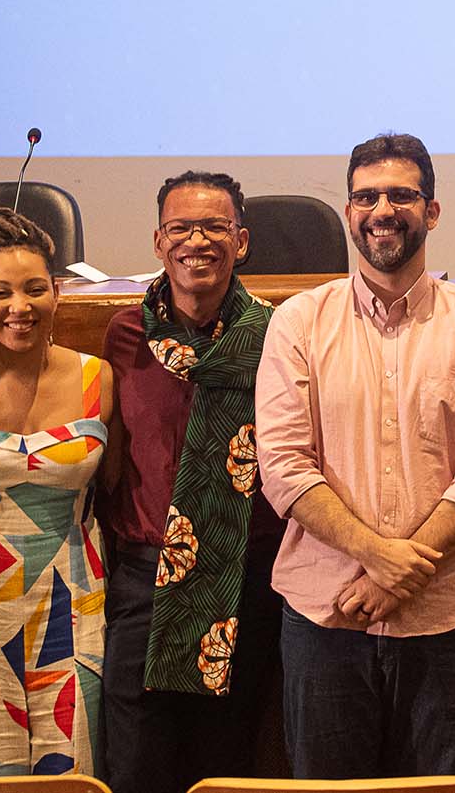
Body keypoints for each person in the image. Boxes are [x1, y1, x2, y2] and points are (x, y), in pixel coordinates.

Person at [256, 132, 455, 776]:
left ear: (431, 211)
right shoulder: (298, 321)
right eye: (366, 196)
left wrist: (396, 577)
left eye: (402, 195)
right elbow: (285, 466)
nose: (383, 209)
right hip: (327, 620)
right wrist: (380, 559)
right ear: (349, 212)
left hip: (445, 621)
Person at [100, 172, 284, 793]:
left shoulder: (279, 337)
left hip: (242, 580)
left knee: (226, 766)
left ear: (242, 240)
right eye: (181, 228)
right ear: (158, 241)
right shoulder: (126, 336)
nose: (197, 241)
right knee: (135, 766)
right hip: (142, 576)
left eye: (214, 227)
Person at [0, 207, 117, 776]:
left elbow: (112, 489)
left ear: (58, 293)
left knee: (76, 769)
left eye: (35, 289)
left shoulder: (98, 377)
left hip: (74, 604)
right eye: (2, 293)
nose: (20, 308)